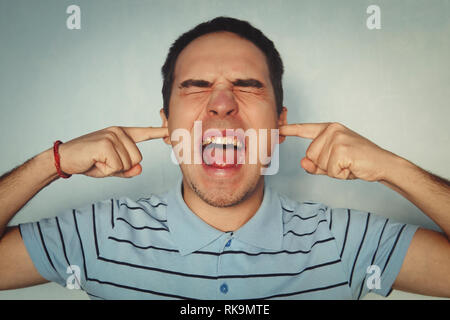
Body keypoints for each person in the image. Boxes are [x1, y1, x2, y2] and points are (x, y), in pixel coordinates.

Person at [0, 16, 448, 300]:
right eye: (195, 86)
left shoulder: (346, 242)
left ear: (278, 126)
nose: (221, 104)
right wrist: (52, 162)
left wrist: (393, 168)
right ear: (166, 125)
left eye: (248, 85)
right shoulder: (96, 234)